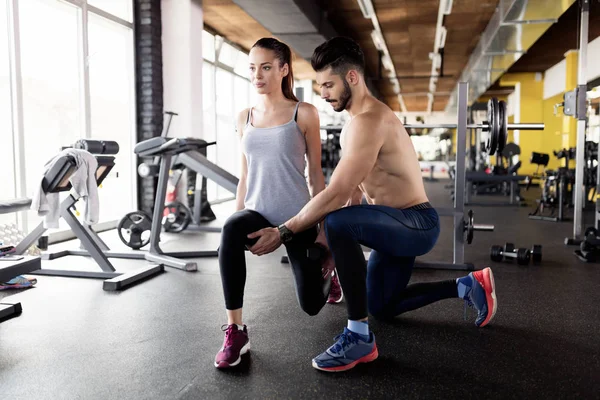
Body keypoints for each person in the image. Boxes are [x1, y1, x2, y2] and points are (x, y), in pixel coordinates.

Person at [246, 37, 498, 372]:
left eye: (328, 84)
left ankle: (359, 338)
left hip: (414, 223)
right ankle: (468, 285)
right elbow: (354, 192)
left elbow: (336, 194)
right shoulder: (354, 124)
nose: (323, 93)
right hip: (391, 224)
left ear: (352, 78)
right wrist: (337, 247)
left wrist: (284, 231)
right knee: (382, 305)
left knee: (337, 222)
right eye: (319, 85)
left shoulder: (370, 121)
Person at [214, 37, 341, 369]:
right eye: (253, 68)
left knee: (312, 305)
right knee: (230, 228)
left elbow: (315, 176)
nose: (258, 75)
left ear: (284, 70)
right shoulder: (244, 117)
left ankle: (333, 277)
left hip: (298, 217)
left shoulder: (305, 113)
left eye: (267, 67)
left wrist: (324, 230)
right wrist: (237, 217)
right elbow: (245, 175)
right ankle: (236, 330)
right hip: (256, 211)